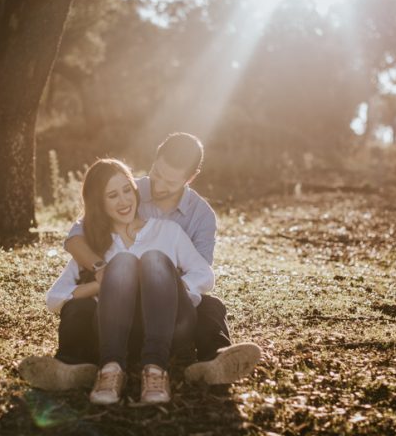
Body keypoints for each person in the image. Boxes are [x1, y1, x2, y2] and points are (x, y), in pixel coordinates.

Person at [19, 133, 260, 392]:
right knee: (78, 308)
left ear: (188, 179)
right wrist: (104, 278)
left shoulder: (189, 222)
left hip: (168, 320)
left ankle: (215, 361)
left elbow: (202, 273)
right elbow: (81, 234)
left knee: (210, 305)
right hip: (113, 323)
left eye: (170, 181)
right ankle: (69, 367)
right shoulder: (129, 190)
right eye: (157, 173)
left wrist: (167, 290)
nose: (158, 185)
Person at [42, 158, 214, 404]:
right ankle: (111, 369)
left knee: (154, 260)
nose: (124, 201)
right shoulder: (94, 244)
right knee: (122, 263)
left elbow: (204, 275)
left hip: (169, 328)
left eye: (127, 190)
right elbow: (55, 298)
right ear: (99, 203)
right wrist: (106, 283)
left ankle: (156, 368)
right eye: (112, 195)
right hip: (116, 331)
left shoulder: (167, 231)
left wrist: (170, 288)